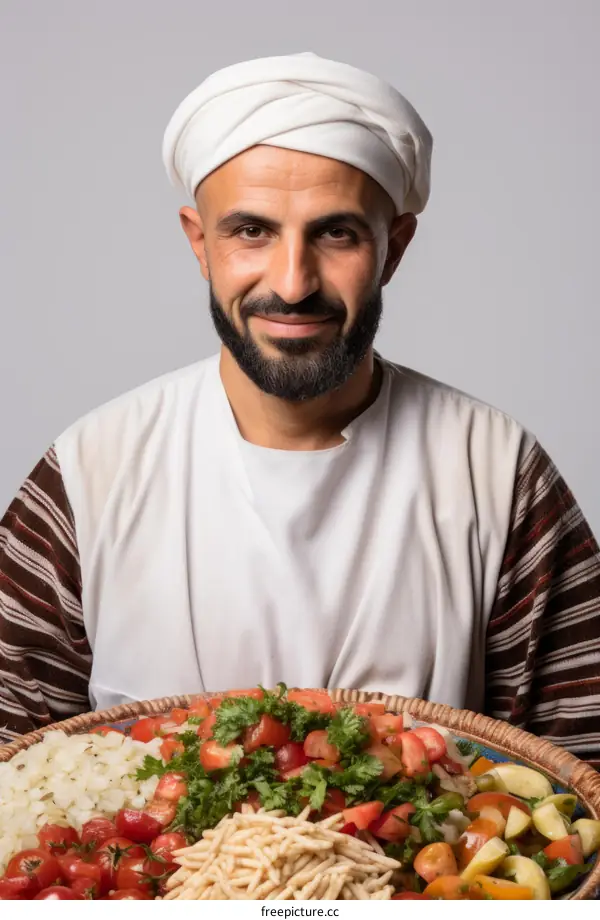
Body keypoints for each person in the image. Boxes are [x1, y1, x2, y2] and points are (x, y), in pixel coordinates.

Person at [1, 52, 599, 768]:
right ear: (201, 243)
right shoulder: (87, 473)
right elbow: (14, 776)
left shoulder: (498, 470)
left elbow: (577, 775)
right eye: (250, 231)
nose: (291, 284)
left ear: (394, 248)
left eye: (336, 233)